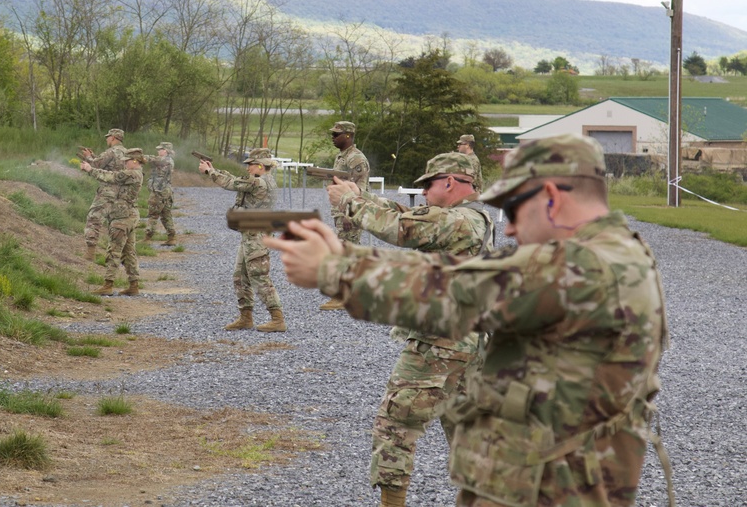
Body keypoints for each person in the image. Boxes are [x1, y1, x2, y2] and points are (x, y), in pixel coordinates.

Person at [266, 134, 668, 507]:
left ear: (551, 196)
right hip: (557, 480)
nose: (508, 226)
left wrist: (335, 269)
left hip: (552, 489)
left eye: (514, 209)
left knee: (398, 421)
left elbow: (454, 293)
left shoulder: (582, 266)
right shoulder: (622, 256)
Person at [328, 152, 494, 506]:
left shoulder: (462, 221)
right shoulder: (465, 218)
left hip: (440, 345)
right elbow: (406, 215)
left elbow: (403, 228)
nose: (424, 193)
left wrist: (350, 204)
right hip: (467, 343)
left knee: (396, 424)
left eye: (429, 185)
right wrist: (360, 193)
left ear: (450, 182)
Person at [199, 151, 286, 333]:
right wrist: (214, 169)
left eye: (251, 164)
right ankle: (246, 317)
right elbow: (237, 180)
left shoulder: (259, 182)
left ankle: (277, 318)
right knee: (240, 276)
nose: (248, 168)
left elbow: (231, 183)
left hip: (257, 236)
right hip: (249, 235)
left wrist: (210, 172)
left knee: (259, 277)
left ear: (261, 165)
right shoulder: (259, 179)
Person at [80, 147, 146, 296]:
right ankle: (133, 285)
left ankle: (108, 284)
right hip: (128, 216)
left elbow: (111, 177)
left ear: (135, 161)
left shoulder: (132, 174)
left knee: (114, 251)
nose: (125, 164)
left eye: (127, 161)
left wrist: (90, 169)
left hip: (122, 218)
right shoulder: (136, 173)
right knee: (128, 252)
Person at [320, 120, 371, 311]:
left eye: (336, 135)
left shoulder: (356, 159)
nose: (332, 138)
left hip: (350, 212)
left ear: (348, 136)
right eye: (332, 134)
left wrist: (350, 215)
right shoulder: (342, 156)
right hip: (342, 212)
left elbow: (359, 190)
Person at [79, 128, 127, 262]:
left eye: (108, 137)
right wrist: (92, 156)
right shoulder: (126, 152)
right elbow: (108, 165)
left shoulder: (111, 151)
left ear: (113, 138)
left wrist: (88, 157)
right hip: (122, 193)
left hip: (108, 191)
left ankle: (90, 253)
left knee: (94, 218)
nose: (106, 139)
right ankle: (118, 256)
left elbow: (97, 164)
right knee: (117, 223)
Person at [145, 141, 177, 246]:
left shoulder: (165, 160)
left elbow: (152, 159)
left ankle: (147, 237)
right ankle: (171, 237)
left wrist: (138, 157)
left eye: (161, 149)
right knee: (166, 214)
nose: (158, 151)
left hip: (159, 191)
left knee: (153, 214)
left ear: (166, 151)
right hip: (166, 191)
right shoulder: (168, 160)